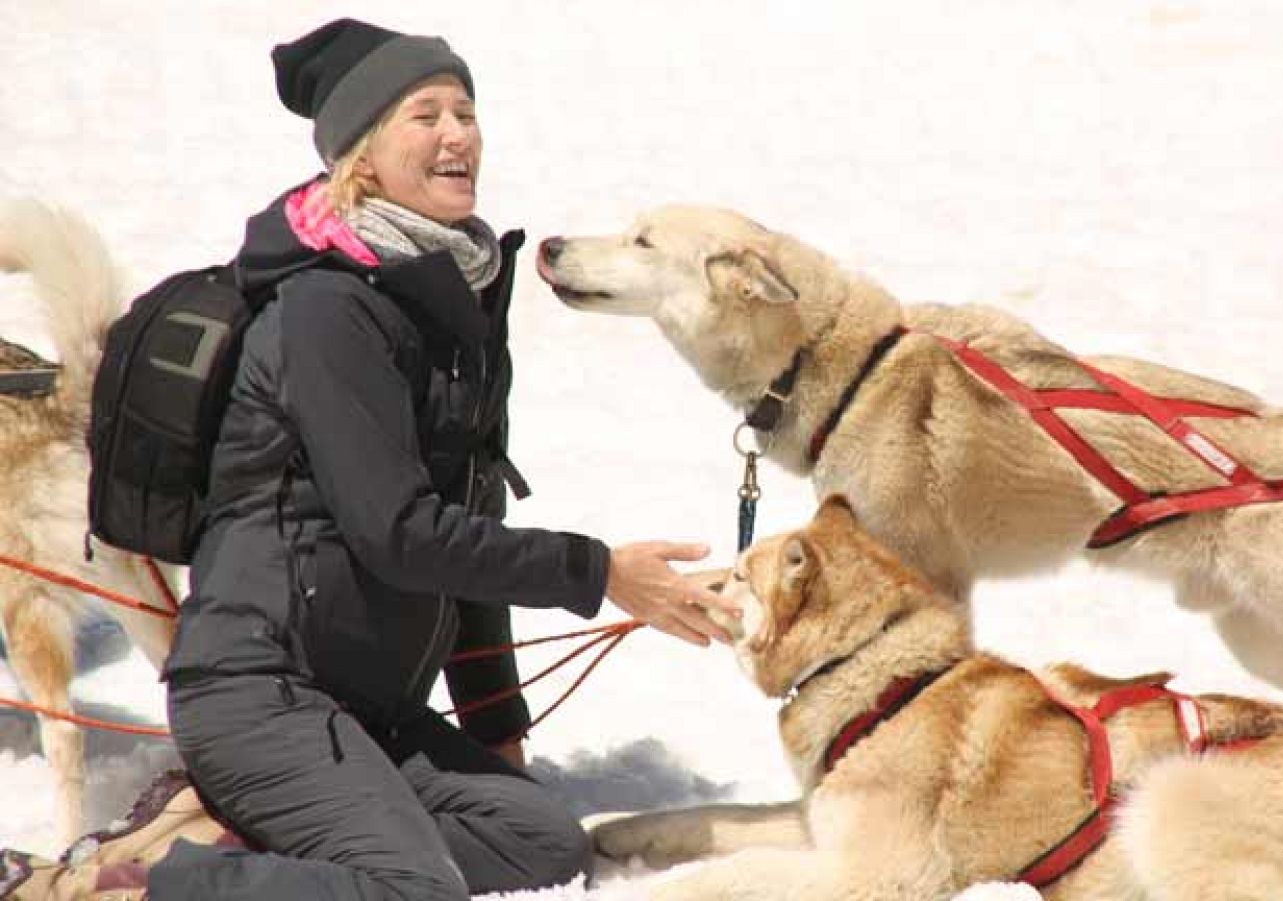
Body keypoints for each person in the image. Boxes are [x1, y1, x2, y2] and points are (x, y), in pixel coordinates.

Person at [4, 18, 739, 901]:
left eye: (465, 110)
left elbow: (466, 539)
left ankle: (234, 829)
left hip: (365, 707)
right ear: (361, 157)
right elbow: (399, 533)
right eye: (423, 114)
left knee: (540, 839)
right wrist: (602, 572)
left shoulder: (452, 313)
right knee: (408, 888)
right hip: (259, 691)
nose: (456, 133)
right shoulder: (326, 309)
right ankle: (137, 880)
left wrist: (496, 741)